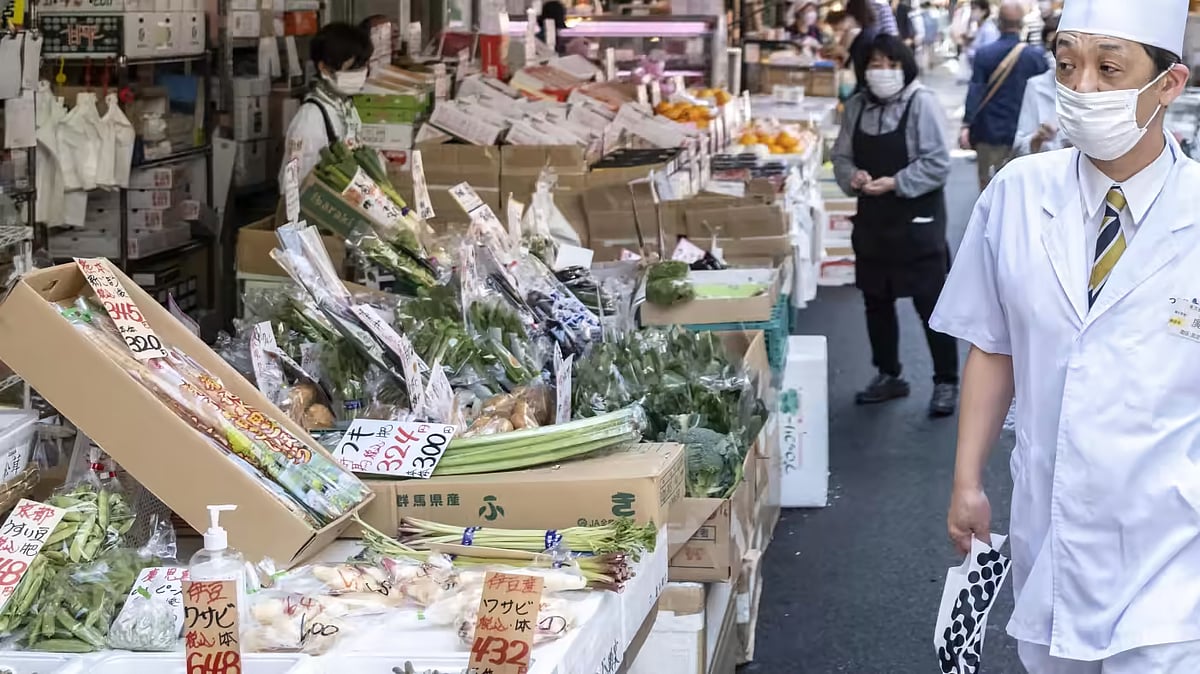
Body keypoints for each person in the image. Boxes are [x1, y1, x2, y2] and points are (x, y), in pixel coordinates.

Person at [931, 0, 1200, 670]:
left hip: (1176, 544)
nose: (1081, 89)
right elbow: (993, 344)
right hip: (1047, 530)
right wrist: (968, 477)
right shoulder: (1018, 195)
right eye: (1068, 64)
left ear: (1169, 85)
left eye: (1110, 69)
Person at [831, 34, 959, 416]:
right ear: (862, 69)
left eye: (891, 63)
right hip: (873, 222)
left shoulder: (922, 103)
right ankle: (888, 375)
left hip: (917, 222)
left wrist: (897, 182)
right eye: (875, 64)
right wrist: (852, 176)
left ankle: (946, 381)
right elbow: (839, 156)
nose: (883, 71)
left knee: (930, 305)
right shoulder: (855, 107)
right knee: (876, 302)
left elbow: (938, 162)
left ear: (904, 65)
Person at [959, 0, 1048, 190]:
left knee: (989, 191)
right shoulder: (1036, 57)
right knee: (1023, 190)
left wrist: (966, 124)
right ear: (1022, 24)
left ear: (999, 22)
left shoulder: (984, 54)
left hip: (989, 132)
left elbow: (975, 91)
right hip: (1026, 133)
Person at [279, 22, 372, 187]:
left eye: (364, 65)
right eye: (353, 68)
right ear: (325, 68)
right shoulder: (309, 121)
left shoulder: (345, 106)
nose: (361, 73)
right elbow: (292, 184)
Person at [1012, 15, 1063, 156]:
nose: (1057, 55)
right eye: (1051, 47)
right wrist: (1037, 139)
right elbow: (1020, 145)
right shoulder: (1036, 85)